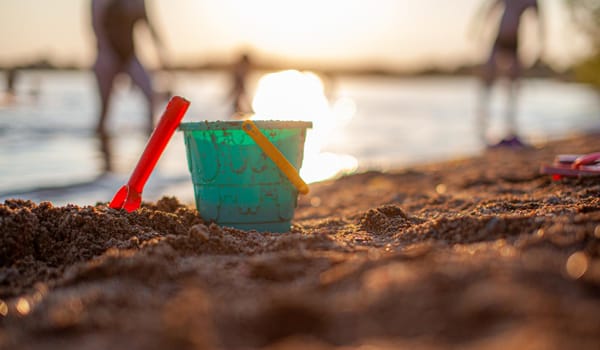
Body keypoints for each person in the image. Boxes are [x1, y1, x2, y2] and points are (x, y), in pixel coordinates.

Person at [474, 0, 544, 147]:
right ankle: (482, 132)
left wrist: (540, 46)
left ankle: (511, 131)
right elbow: (489, 9)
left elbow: (539, 20)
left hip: (514, 45)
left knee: (513, 87)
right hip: (498, 42)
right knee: (487, 84)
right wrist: (477, 30)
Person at [91, 0, 165, 135]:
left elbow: (148, 24)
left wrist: (161, 54)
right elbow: (96, 24)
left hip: (130, 55)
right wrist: (107, 52)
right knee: (105, 108)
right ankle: (102, 139)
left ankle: (152, 134)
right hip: (107, 54)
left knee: (151, 93)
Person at [228, 53, 252, 119]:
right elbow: (239, 83)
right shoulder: (240, 68)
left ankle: (238, 118)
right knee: (238, 107)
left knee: (238, 108)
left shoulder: (241, 68)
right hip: (238, 91)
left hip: (239, 91)